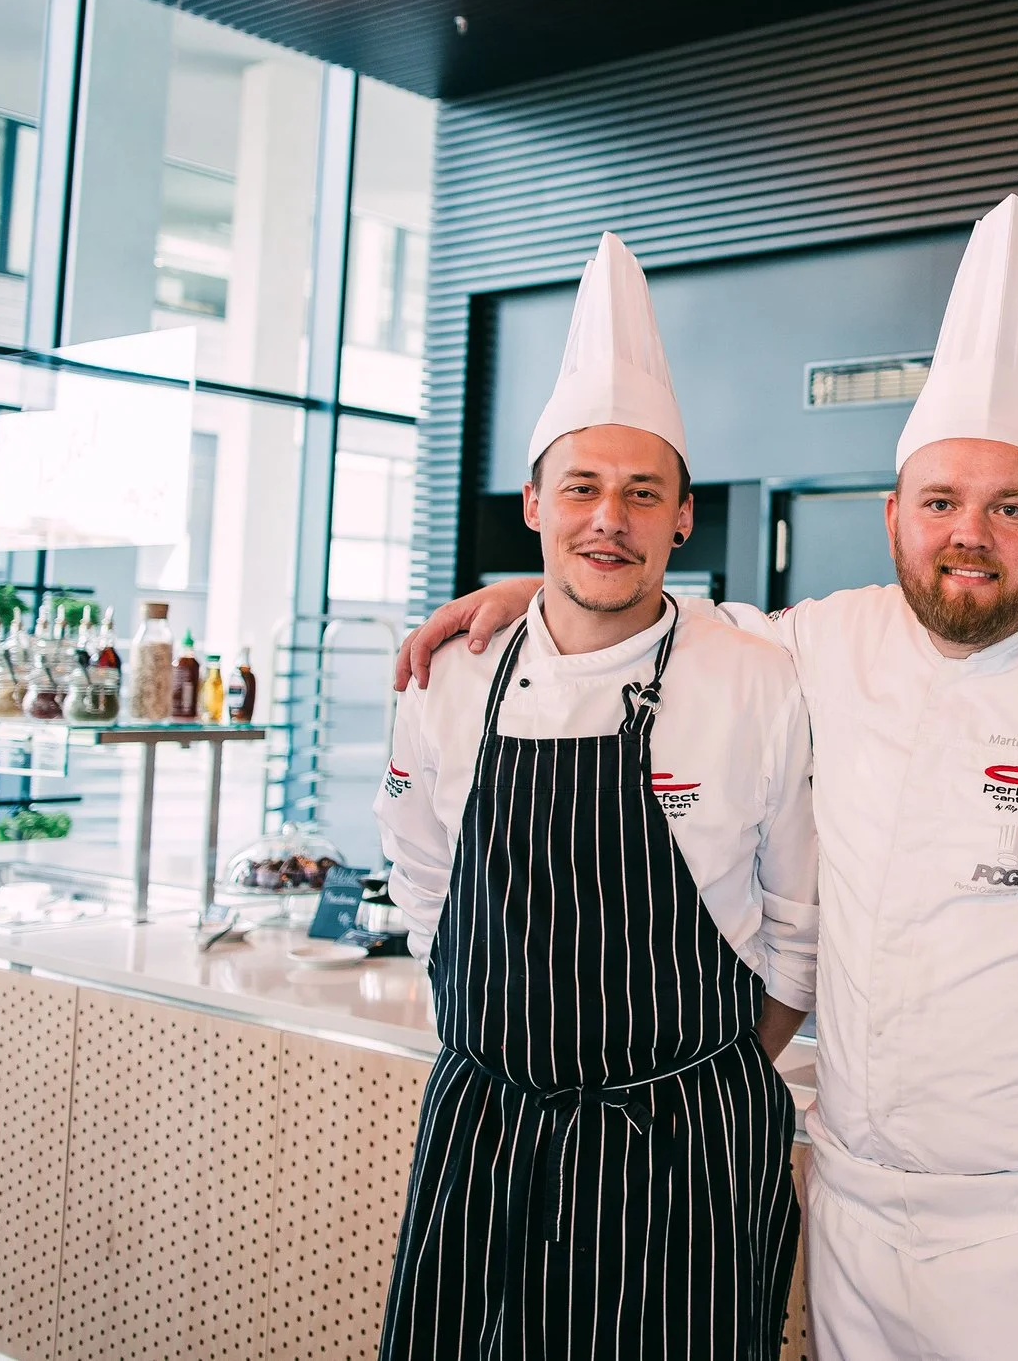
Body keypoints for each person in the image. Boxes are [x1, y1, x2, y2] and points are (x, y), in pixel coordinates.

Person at [398, 197, 1018, 1360]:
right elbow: (632, 615)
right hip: (852, 1208)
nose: (971, 534)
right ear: (892, 514)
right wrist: (524, 593)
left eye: (1008, 507)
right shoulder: (815, 642)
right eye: (941, 502)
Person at [374, 233, 816, 1361]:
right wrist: (493, 1043)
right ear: (532, 502)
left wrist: (702, 1078)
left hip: (687, 1142)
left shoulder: (757, 674)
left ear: (682, 517)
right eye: (581, 487)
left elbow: (799, 928)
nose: (607, 516)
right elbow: (425, 876)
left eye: (640, 492)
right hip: (487, 1128)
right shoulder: (450, 675)